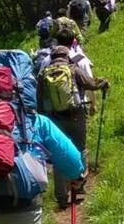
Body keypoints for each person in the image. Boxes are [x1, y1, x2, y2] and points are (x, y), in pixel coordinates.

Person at [39, 29, 109, 209]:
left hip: (54, 118)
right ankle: (79, 188)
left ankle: (62, 196)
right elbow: (91, 84)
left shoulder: (44, 72)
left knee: (58, 153)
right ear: (67, 54)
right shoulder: (73, 68)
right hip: (75, 115)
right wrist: (104, 82)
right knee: (80, 149)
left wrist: (43, 119)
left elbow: (39, 99)